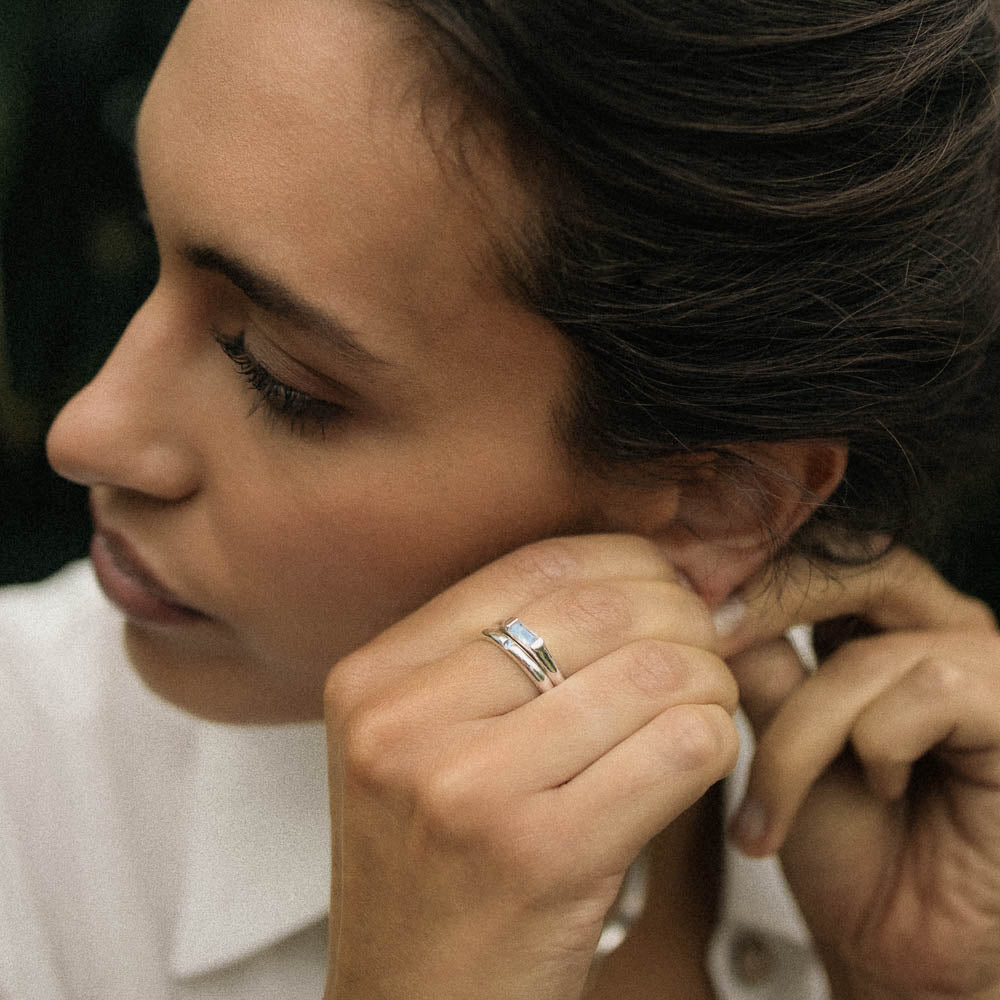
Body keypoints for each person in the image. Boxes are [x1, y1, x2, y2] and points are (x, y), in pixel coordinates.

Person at [3, 0, 1000, 997]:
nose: (88, 432)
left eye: (278, 377)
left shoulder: (923, 869)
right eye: (153, 239)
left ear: (719, 503)